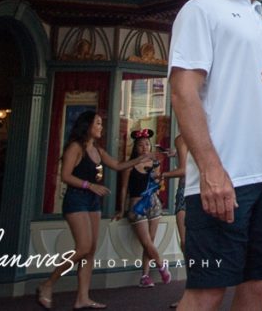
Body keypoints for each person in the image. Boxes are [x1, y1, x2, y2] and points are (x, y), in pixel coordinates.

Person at [169, 0, 262, 311]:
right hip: (226, 179)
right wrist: (210, 170)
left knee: (259, 286)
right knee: (207, 291)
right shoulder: (200, 10)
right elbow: (183, 92)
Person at [36, 110, 153, 310]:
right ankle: (47, 284)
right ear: (87, 126)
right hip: (77, 198)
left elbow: (117, 165)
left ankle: (83, 297)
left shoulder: (97, 150)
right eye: (98, 123)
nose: (101, 127)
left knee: (90, 251)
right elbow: (65, 176)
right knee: (82, 247)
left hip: (92, 201)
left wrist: (141, 159)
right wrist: (90, 186)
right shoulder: (75, 147)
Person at [115, 128, 172, 288]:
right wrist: (121, 209)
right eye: (141, 145)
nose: (145, 148)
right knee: (147, 241)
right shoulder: (129, 165)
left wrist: (158, 176)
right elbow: (124, 188)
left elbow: (158, 183)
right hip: (136, 203)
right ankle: (161, 265)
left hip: (153, 202)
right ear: (135, 147)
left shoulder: (154, 163)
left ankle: (145, 276)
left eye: (147, 144)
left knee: (150, 241)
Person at [164, 134, 189, 308]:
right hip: (201, 189)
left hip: (187, 191)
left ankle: (191, 292)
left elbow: (185, 170)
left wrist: (164, 174)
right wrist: (177, 153)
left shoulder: (182, 139)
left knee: (186, 243)